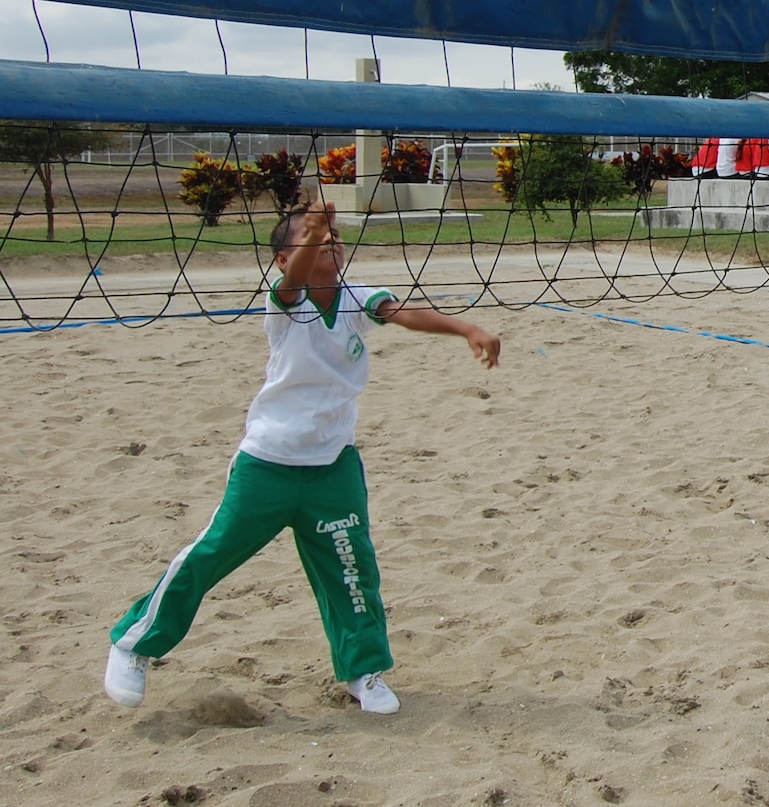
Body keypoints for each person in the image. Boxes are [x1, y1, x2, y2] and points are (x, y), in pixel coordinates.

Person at [103, 201, 501, 715]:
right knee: (211, 555)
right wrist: (309, 235)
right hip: (268, 462)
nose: (331, 242)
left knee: (352, 570)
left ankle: (363, 670)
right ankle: (132, 643)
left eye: (334, 236)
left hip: (332, 465)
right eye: (314, 238)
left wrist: (465, 328)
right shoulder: (285, 303)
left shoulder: (357, 298)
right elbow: (291, 283)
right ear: (282, 257)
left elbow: (403, 313)